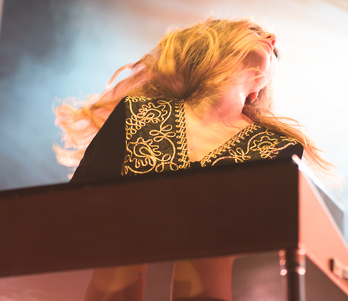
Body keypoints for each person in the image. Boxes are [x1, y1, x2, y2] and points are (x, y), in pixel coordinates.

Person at [54, 18, 331, 301]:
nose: (271, 37)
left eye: (276, 51)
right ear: (214, 46)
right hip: (115, 276)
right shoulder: (138, 114)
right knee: (119, 253)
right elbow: (74, 213)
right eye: (255, 31)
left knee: (208, 254)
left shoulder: (276, 148)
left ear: (256, 92)